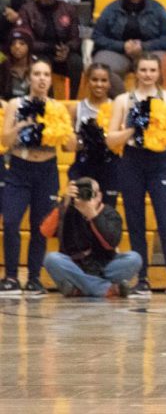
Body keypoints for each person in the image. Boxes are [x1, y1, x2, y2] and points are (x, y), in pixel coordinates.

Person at [106, 53, 166, 297]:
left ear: (159, 72)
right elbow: (110, 139)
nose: (148, 74)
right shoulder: (123, 100)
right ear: (136, 72)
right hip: (131, 161)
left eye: (152, 70)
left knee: (165, 219)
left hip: (160, 162)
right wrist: (133, 127)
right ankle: (142, 279)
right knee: (135, 220)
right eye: (143, 69)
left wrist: (155, 128)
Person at [0, 58, 74, 297]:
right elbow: (5, 141)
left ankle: (34, 278)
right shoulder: (15, 104)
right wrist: (23, 124)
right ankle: (11, 277)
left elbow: (69, 146)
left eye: (46, 74)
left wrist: (68, 132)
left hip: (47, 170)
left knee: (40, 227)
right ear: (29, 78)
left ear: (50, 80)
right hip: (19, 168)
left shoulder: (57, 108)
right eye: (37, 74)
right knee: (10, 221)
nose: (42, 78)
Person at [41, 177, 142, 298]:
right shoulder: (66, 209)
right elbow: (45, 231)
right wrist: (64, 203)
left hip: (105, 266)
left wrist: (92, 214)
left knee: (134, 258)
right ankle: (107, 289)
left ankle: (80, 289)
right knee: (51, 258)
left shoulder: (109, 213)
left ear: (99, 196)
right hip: (75, 266)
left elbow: (110, 244)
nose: (86, 196)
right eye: (80, 193)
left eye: (90, 193)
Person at [91, 0, 166, 96]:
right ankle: (124, 102)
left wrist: (144, 46)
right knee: (101, 66)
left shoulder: (157, 8)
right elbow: (97, 36)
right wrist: (122, 46)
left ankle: (153, 102)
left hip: (149, 52)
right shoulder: (111, 9)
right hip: (118, 52)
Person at [17, 0, 82, 98]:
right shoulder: (27, 9)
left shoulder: (68, 9)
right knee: (42, 65)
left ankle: (72, 100)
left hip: (62, 53)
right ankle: (47, 101)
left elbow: (76, 38)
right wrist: (50, 47)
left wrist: (67, 48)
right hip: (40, 52)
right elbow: (27, 40)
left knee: (76, 62)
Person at [67, 63, 119, 206]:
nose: (99, 84)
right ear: (87, 81)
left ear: (110, 83)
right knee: (80, 214)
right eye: (94, 79)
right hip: (83, 167)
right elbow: (67, 147)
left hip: (109, 169)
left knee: (106, 216)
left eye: (103, 80)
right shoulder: (75, 109)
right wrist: (80, 142)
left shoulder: (117, 108)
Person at [0, 29, 35, 100]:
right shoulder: (3, 67)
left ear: (29, 47)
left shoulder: (37, 66)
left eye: (22, 43)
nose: (17, 47)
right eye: (13, 44)